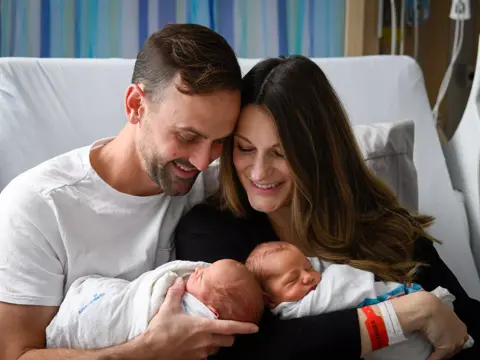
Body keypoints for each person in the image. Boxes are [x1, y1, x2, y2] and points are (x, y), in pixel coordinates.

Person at [174, 55, 480, 360]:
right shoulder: (210, 231)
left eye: (280, 153)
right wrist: (408, 312)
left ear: (318, 153)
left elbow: (464, 322)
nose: (258, 172)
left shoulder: (384, 229)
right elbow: (245, 349)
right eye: (245, 148)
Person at [0, 24, 259, 360]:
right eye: (188, 136)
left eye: (219, 141)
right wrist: (149, 351)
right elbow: (13, 354)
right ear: (136, 104)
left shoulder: (214, 188)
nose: (201, 160)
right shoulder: (38, 206)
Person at [245, 241, 474, 360]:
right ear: (269, 300)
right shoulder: (287, 311)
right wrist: (418, 309)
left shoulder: (398, 239)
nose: (308, 277)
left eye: (308, 267)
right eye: (292, 279)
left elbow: (465, 313)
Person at [47, 259, 264, 349]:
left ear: (211, 312)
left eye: (202, 277)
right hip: (126, 302)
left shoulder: (193, 315)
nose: (197, 270)